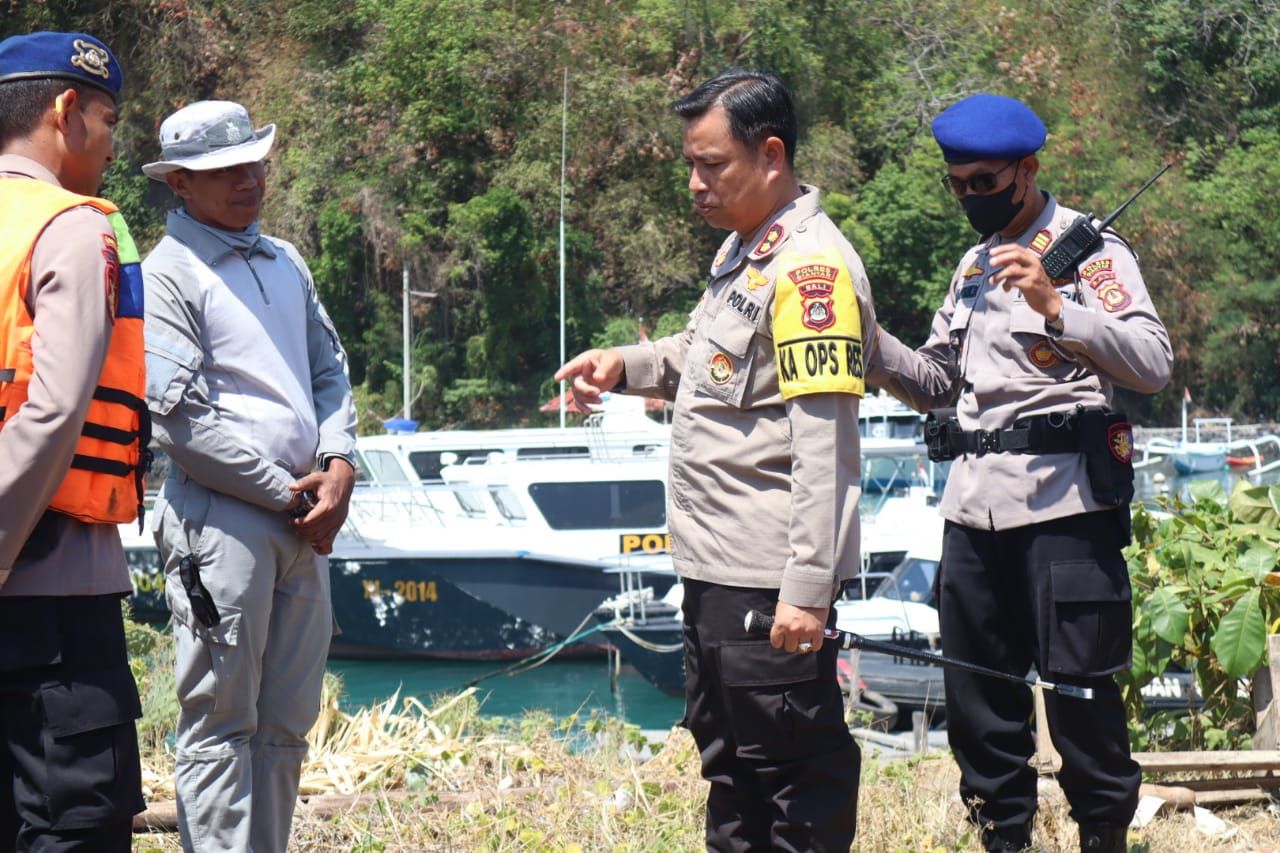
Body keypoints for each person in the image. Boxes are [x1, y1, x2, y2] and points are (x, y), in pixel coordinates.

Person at [556, 68, 870, 852]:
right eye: (690, 165)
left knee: (796, 786)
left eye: (712, 165)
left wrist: (807, 590)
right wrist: (622, 366)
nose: (695, 184)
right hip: (714, 573)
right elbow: (702, 354)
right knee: (733, 776)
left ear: (771, 155)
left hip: (768, 584)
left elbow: (825, 445)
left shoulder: (812, 272)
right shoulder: (747, 250)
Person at [867, 94, 1173, 852]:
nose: (971, 196)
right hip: (972, 511)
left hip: (1062, 508)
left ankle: (1103, 835)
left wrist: (1058, 307)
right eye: (958, 184)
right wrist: (869, 344)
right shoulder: (971, 266)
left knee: (1081, 698)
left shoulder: (1089, 252)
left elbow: (1152, 362)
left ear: (1027, 170)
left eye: (985, 182)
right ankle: (1002, 838)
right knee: (980, 704)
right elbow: (937, 380)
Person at [140, 100, 357, 852]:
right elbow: (179, 421)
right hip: (223, 520)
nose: (248, 181)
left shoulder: (285, 260)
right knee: (221, 721)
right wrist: (289, 491)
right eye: (224, 171)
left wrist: (339, 464)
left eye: (254, 164)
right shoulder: (167, 274)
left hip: (303, 514)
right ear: (178, 182)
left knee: (287, 722)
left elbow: (329, 372)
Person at [0, 30, 148, 850]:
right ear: (65, 111)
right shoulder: (68, 226)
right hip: (54, 596)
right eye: (108, 119)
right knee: (72, 823)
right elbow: (55, 409)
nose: (112, 144)